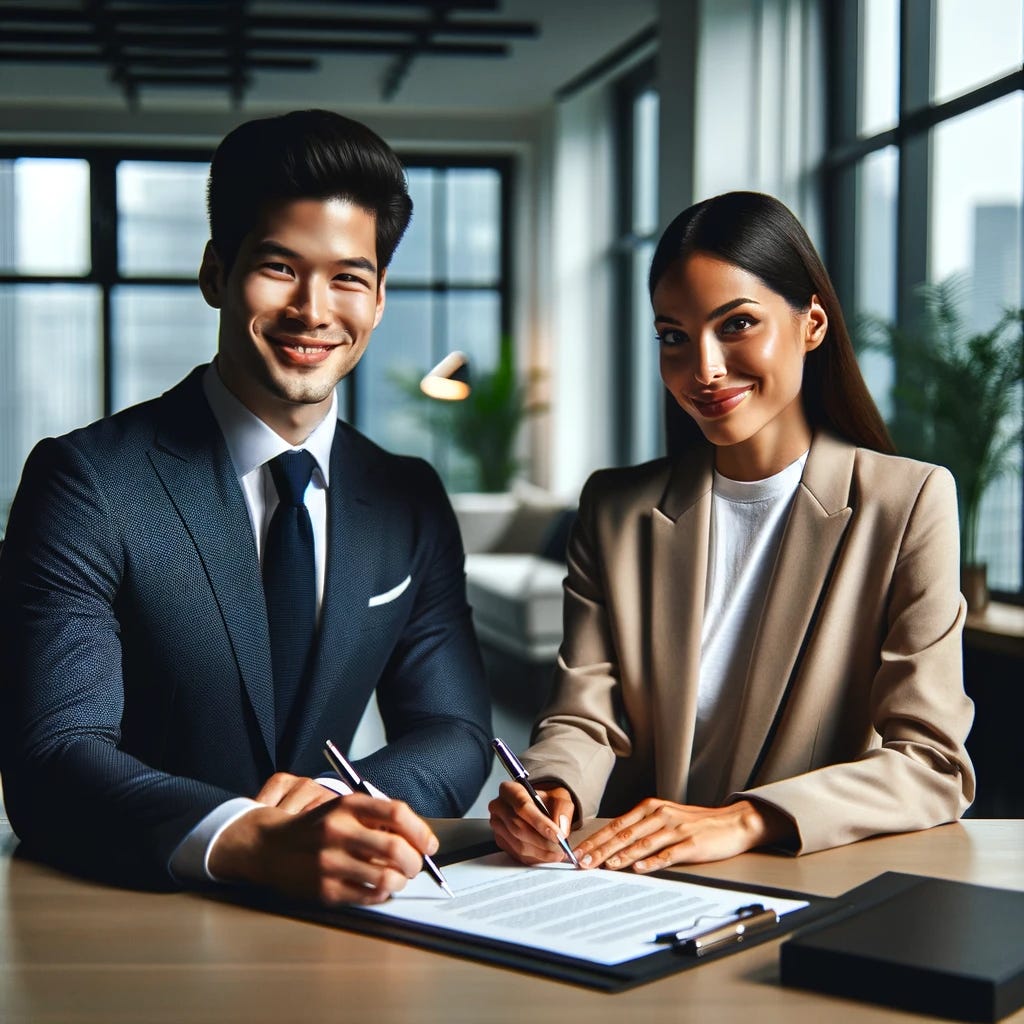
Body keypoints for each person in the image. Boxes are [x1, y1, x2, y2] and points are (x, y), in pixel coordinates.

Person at [0, 109, 492, 905]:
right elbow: (55, 754)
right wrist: (247, 837)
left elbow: (456, 731)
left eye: (348, 277)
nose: (314, 309)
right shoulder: (85, 481)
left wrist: (339, 809)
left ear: (379, 296)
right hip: (132, 916)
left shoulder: (409, 498)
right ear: (214, 273)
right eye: (278, 267)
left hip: (346, 922)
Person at [490, 190, 974, 872]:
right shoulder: (615, 509)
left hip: (801, 880)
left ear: (811, 323)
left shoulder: (909, 502)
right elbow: (584, 714)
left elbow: (931, 765)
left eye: (737, 323)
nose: (705, 369)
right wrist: (552, 788)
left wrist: (746, 820)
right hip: (626, 885)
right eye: (674, 337)